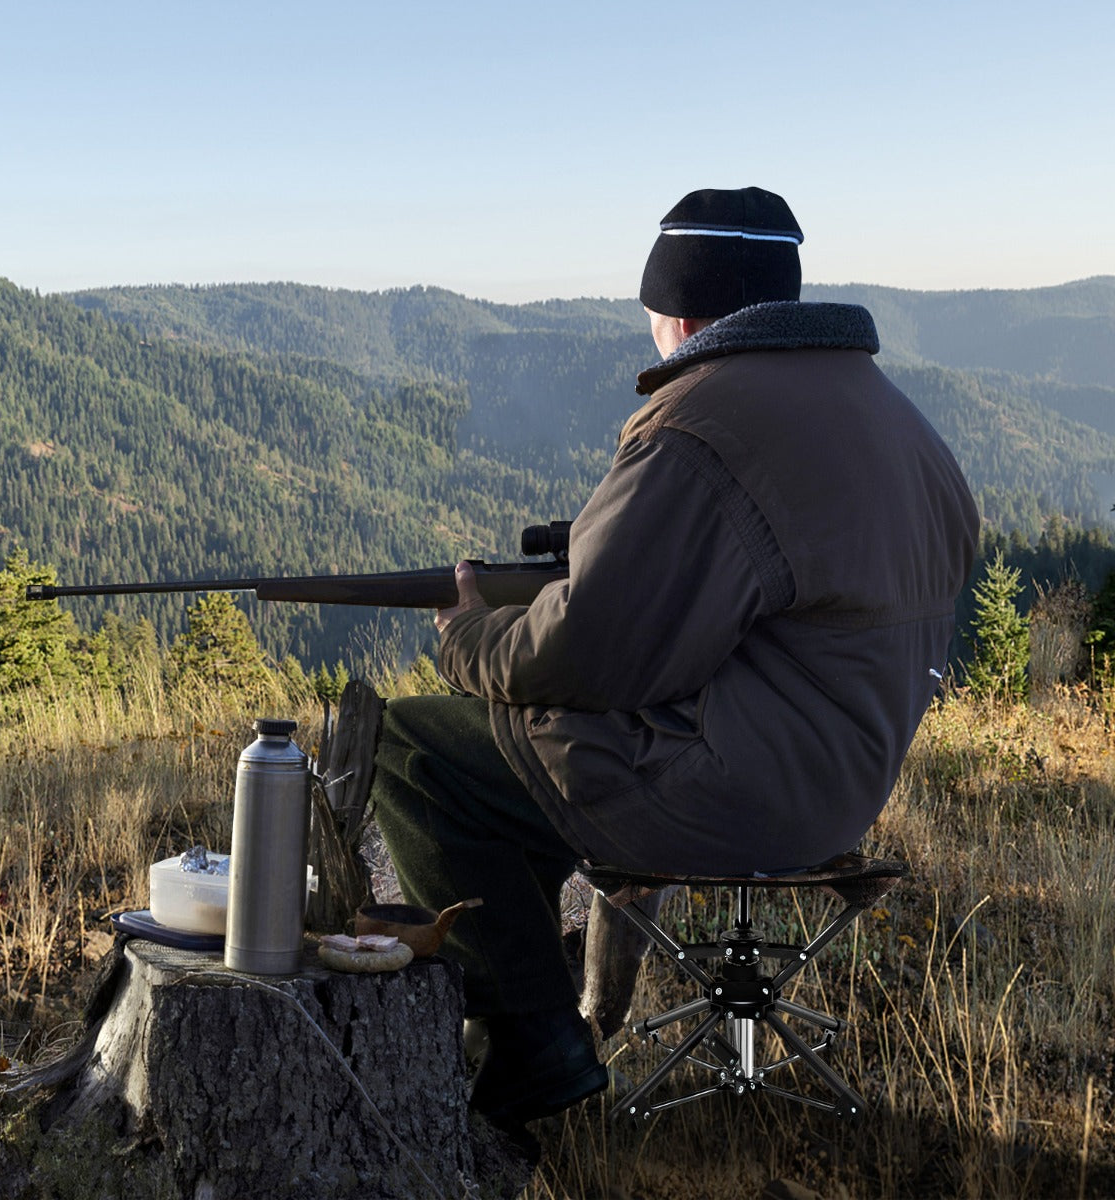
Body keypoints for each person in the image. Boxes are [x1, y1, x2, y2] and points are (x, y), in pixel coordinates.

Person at [369, 187, 979, 1130]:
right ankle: (534, 997)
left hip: (737, 788)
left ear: (683, 312)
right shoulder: (896, 419)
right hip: (839, 784)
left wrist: (469, 637)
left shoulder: (701, 424)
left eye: (653, 311)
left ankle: (538, 1043)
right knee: (512, 770)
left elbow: (593, 653)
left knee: (415, 749)